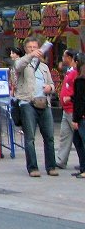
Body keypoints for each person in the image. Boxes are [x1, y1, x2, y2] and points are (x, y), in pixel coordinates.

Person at [14, 37, 57, 177]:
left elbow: (52, 84)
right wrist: (30, 56)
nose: (33, 49)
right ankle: (33, 167)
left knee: (49, 137)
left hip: (44, 103)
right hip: (28, 103)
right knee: (30, 137)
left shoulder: (44, 67)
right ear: (26, 49)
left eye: (35, 47)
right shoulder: (22, 63)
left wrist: (50, 87)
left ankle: (51, 166)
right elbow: (17, 66)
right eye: (30, 47)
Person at [56, 49, 79, 170]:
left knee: (79, 137)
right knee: (65, 135)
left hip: (72, 108)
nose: (63, 58)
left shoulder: (76, 73)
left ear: (70, 58)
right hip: (66, 109)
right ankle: (61, 160)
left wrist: (70, 98)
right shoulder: (69, 71)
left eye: (64, 56)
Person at [71, 57, 85, 179]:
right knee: (77, 140)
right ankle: (82, 167)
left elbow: (80, 101)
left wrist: (76, 119)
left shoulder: (80, 80)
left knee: (81, 141)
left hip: (81, 116)